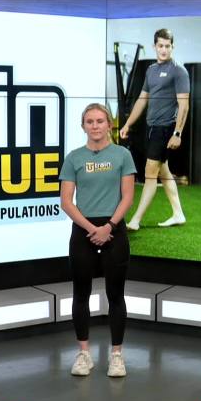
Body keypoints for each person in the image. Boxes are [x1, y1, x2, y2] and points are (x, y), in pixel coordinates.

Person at [60, 103, 136, 377]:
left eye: (100, 121)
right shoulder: (73, 158)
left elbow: (127, 196)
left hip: (114, 230)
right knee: (80, 294)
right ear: (83, 126)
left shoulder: (122, 155)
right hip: (84, 231)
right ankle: (84, 354)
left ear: (109, 124)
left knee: (116, 294)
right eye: (89, 121)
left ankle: (116, 355)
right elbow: (66, 201)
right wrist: (93, 229)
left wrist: (109, 226)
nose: (95, 126)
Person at [119, 28, 188, 230]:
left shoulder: (178, 71)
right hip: (151, 128)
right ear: (154, 46)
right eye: (160, 46)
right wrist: (128, 124)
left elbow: (184, 105)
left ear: (172, 47)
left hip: (165, 129)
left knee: (150, 174)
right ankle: (178, 214)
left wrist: (177, 133)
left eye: (167, 46)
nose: (164, 49)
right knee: (164, 172)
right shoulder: (151, 70)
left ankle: (135, 220)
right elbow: (142, 100)